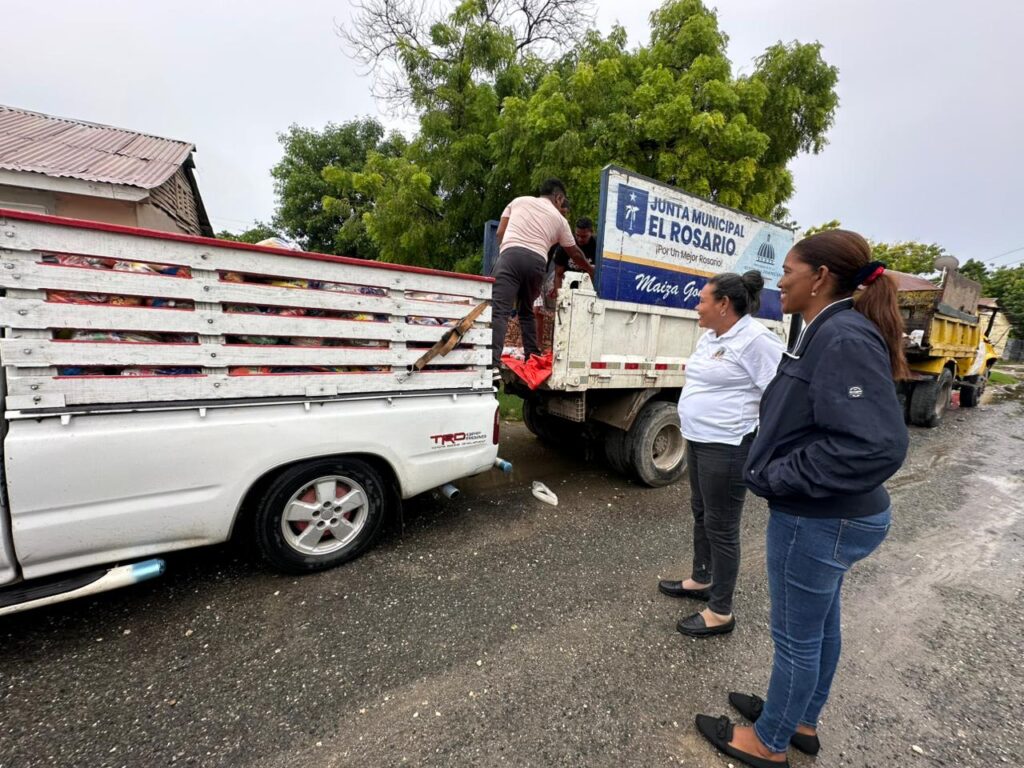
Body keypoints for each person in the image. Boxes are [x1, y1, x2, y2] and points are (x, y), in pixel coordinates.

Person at [695, 230, 911, 768]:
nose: (778, 280)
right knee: (821, 627)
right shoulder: (824, 329)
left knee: (796, 639)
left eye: (788, 269)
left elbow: (875, 444)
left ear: (819, 277)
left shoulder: (843, 338)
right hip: (832, 516)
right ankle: (801, 721)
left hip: (820, 520)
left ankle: (769, 741)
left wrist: (780, 473)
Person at [658, 271, 784, 638]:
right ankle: (702, 579)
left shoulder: (757, 340)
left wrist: (763, 445)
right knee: (702, 513)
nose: (697, 306)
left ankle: (721, 611)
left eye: (702, 300)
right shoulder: (712, 335)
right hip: (699, 439)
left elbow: (778, 395)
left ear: (724, 304)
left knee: (723, 527)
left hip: (729, 446)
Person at [491, 179, 594, 372]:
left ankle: (492, 365)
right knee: (526, 311)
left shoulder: (518, 201)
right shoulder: (561, 221)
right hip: (537, 263)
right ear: (559, 197)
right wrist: (591, 269)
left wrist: (510, 250)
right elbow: (575, 254)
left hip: (510, 257)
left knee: (500, 312)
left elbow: (500, 232)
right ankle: (532, 356)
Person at [534, 215, 596, 348]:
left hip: (586, 283)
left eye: (584, 236)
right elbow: (558, 274)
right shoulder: (566, 246)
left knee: (583, 316)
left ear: (592, 232)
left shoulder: (597, 246)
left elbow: (597, 274)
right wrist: (559, 296)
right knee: (561, 314)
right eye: (577, 235)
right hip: (566, 281)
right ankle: (555, 347)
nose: (580, 239)